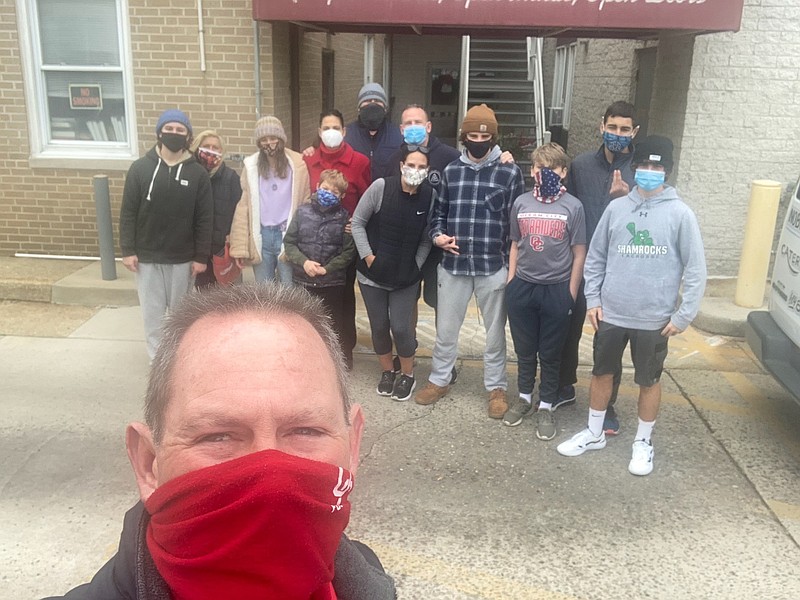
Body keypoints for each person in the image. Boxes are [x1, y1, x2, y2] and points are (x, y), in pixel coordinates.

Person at [45, 284, 397, 599]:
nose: (269, 474)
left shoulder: (369, 580)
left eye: (306, 431)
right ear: (149, 463)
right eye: (218, 436)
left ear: (352, 447)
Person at [556, 136, 707, 476]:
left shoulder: (680, 214)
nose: (650, 172)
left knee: (648, 380)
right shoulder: (617, 208)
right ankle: (594, 433)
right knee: (601, 373)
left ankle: (643, 442)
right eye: (645, 166)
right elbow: (595, 258)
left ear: (666, 171)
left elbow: (696, 269)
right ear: (634, 167)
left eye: (657, 167)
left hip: (655, 317)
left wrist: (683, 316)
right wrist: (593, 299)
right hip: (611, 312)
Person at [414, 104, 524, 418]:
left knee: (494, 334)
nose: (478, 140)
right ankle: (439, 379)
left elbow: (517, 222)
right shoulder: (452, 172)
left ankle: (496, 388)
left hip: (493, 266)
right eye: (473, 135)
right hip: (454, 265)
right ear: (464, 136)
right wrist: (437, 237)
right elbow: (438, 215)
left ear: (493, 138)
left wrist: (510, 265)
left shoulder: (509, 171)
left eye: (484, 135)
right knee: (446, 330)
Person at [557, 100, 640, 435]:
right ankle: (563, 385)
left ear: (634, 132)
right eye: (612, 127)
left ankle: (607, 406)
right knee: (569, 328)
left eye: (624, 129)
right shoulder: (579, 165)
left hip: (619, 270)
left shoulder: (641, 173)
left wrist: (628, 197)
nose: (617, 134)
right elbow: (569, 209)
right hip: (581, 264)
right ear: (601, 126)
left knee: (609, 340)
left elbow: (649, 220)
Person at [502, 143, 586, 441]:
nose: (545, 173)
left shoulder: (573, 207)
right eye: (539, 167)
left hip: (556, 289)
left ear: (563, 172)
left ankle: (547, 404)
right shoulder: (521, 203)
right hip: (523, 287)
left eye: (552, 168)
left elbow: (579, 253)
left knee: (550, 353)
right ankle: (524, 397)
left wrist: (570, 293)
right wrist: (512, 282)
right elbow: (514, 243)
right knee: (525, 350)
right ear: (532, 170)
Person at [119, 108, 212, 359]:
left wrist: (201, 257)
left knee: (181, 315)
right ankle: (158, 361)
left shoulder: (197, 173)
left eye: (180, 130)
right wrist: (128, 250)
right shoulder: (140, 169)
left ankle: (179, 361)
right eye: (169, 129)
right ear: (159, 133)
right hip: (147, 257)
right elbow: (128, 212)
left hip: (182, 258)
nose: (174, 134)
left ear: (188, 136)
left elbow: (204, 218)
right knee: (153, 314)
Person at [351, 145, 434, 402]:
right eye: (411, 165)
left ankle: (407, 375)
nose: (415, 170)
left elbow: (426, 239)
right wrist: (369, 257)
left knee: (401, 328)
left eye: (422, 167)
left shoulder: (429, 196)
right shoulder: (380, 187)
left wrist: (417, 264)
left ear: (428, 171)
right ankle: (387, 371)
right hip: (372, 275)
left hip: (406, 278)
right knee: (379, 326)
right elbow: (357, 222)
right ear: (401, 166)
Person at [283, 169, 356, 368]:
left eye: (334, 192)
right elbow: (289, 242)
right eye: (325, 188)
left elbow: (348, 252)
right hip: (303, 279)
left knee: (332, 323)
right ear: (317, 187)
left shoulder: (345, 219)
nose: (328, 193)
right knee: (304, 322)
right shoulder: (302, 212)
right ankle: (304, 358)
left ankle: (334, 363)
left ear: (341, 196)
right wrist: (304, 262)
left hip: (332, 282)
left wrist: (328, 269)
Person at [229, 116, 310, 284]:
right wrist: (240, 247)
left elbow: (305, 202)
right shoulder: (251, 166)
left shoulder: (298, 165)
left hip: (288, 236)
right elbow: (244, 207)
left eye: (273, 138)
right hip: (262, 236)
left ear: (281, 139)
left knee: (290, 291)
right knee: (265, 293)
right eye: (264, 140)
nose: (269, 143)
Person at [189, 129, 243, 288]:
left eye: (216, 148)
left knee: (228, 299)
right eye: (206, 146)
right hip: (196, 250)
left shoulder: (231, 178)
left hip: (221, 250)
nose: (211, 151)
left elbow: (239, 213)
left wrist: (234, 240)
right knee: (203, 297)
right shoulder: (190, 175)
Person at [303, 109, 372, 215]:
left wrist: (358, 221)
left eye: (336, 128)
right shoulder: (308, 160)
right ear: (320, 132)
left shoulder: (360, 162)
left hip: (346, 229)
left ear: (343, 132)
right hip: (314, 228)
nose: (331, 132)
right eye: (326, 128)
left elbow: (367, 200)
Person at [344, 83, 404, 182]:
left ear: (385, 108)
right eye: (367, 101)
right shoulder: (347, 134)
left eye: (377, 101)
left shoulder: (397, 135)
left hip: (386, 194)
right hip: (357, 195)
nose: (372, 104)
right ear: (359, 108)